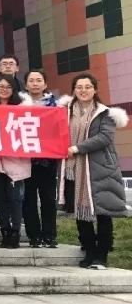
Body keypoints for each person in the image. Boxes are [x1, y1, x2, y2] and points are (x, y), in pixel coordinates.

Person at [61, 73, 129, 269]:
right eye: (79, 87)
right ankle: (89, 251)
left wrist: (77, 148)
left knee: (102, 213)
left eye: (87, 87)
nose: (83, 90)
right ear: (74, 90)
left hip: (100, 168)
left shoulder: (104, 113)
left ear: (95, 89)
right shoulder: (65, 112)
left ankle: (102, 255)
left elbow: (104, 138)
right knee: (81, 213)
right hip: (74, 169)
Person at [23, 70, 66, 248]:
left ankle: (49, 235)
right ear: (26, 85)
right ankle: (33, 236)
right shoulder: (19, 105)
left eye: (39, 80)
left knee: (48, 199)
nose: (35, 83)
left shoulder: (56, 106)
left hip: (48, 160)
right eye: (31, 80)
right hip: (25, 160)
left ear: (45, 84)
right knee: (28, 200)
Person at [0, 74, 31, 249]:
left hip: (17, 163)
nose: (4, 90)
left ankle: (15, 233)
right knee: (0, 200)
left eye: (8, 87)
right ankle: (5, 231)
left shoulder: (22, 109)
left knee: (15, 200)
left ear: (14, 90)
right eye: (0, 86)